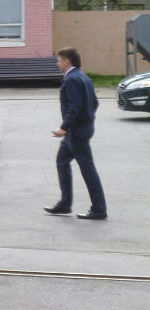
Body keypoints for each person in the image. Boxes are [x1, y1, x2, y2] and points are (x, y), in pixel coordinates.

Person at [45, 46, 108, 220]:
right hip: (79, 130)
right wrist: (87, 119)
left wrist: (64, 127)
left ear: (67, 61)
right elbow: (94, 103)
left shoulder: (72, 79)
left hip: (76, 132)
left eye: (59, 61)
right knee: (62, 161)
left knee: (87, 168)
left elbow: (74, 107)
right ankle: (65, 204)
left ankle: (99, 209)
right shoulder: (83, 77)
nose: (57, 64)